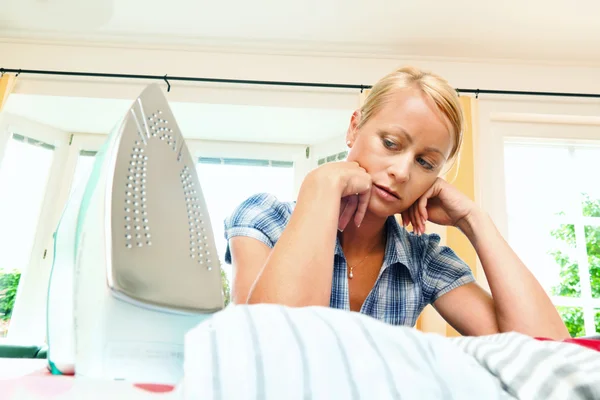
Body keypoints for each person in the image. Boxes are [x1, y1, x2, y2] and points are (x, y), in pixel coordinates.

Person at [223, 66, 570, 340]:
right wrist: (321, 185)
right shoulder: (265, 219)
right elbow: (264, 344)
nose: (402, 171)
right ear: (354, 128)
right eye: (390, 143)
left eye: (425, 163)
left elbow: (547, 352)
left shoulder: (424, 259)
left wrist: (474, 219)